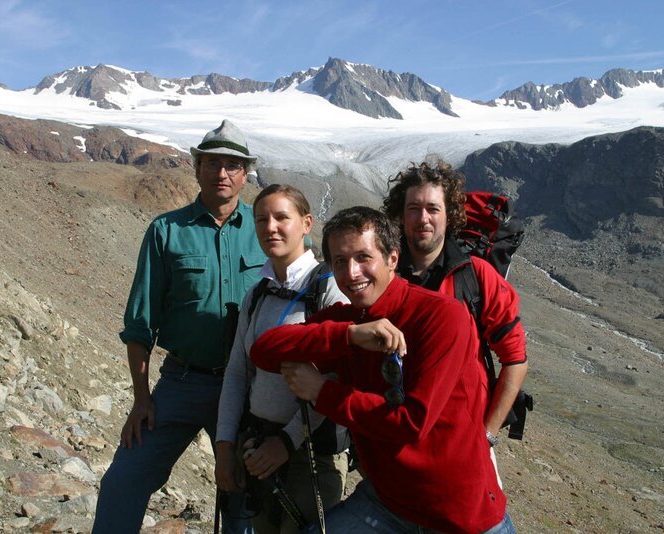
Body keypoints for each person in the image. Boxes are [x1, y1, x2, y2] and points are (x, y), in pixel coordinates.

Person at [249, 207, 515, 533]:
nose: (352, 272)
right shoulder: (349, 320)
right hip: (387, 500)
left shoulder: (441, 316)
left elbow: (412, 423)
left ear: (392, 259)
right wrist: (347, 336)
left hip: (457, 513)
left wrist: (321, 392)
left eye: (363, 257)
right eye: (340, 262)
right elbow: (263, 352)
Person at [93, 120, 265, 533]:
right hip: (183, 381)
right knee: (123, 479)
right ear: (196, 168)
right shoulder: (166, 231)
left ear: (245, 173)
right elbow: (140, 323)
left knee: (245, 501)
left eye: (232, 164)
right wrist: (140, 399)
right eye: (212, 163)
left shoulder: (268, 230)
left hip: (249, 389)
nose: (221, 173)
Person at [215, 184, 349, 533]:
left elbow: (336, 379)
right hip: (258, 452)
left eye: (281, 217)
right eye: (261, 219)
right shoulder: (257, 294)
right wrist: (225, 446)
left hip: (310, 460)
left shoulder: (329, 288)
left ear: (306, 224)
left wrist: (288, 441)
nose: (270, 227)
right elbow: (237, 374)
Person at [382, 161, 528, 458]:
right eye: (413, 208)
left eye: (433, 209)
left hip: (463, 439)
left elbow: (515, 359)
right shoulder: (382, 275)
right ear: (400, 215)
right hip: (394, 431)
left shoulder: (478, 277)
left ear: (450, 216)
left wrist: (487, 435)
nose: (423, 218)